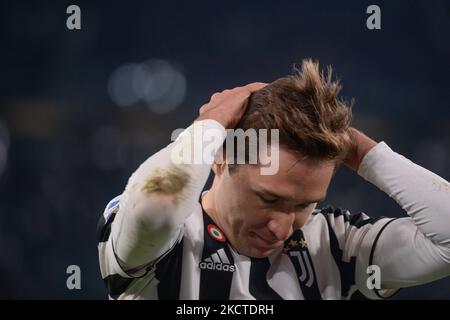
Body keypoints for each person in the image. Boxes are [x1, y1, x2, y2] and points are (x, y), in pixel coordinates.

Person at [97, 59, 450, 299]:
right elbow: (156, 205)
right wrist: (213, 124)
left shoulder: (335, 245)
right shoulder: (169, 240)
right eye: (269, 199)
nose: (282, 228)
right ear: (220, 160)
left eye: (304, 205)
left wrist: (356, 148)